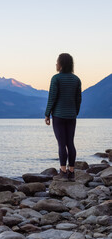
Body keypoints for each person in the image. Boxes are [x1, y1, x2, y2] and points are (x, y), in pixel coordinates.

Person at [45, 53, 82, 181]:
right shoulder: (76, 79)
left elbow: (52, 97)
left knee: (62, 144)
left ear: (61, 64)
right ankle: (72, 172)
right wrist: (75, 112)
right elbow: (78, 99)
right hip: (71, 116)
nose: (56, 64)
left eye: (57, 62)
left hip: (58, 116)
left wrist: (47, 113)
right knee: (70, 143)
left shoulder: (56, 79)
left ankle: (63, 171)